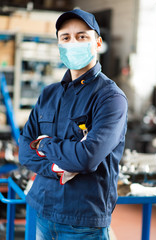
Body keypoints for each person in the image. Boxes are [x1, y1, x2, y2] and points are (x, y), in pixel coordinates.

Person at [19, 9, 128, 240]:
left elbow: (86, 158)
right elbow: (24, 151)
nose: (73, 43)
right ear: (59, 45)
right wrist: (57, 167)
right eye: (65, 38)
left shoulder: (110, 98)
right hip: (43, 211)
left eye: (82, 36)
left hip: (83, 222)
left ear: (97, 43)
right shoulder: (48, 94)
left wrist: (44, 144)